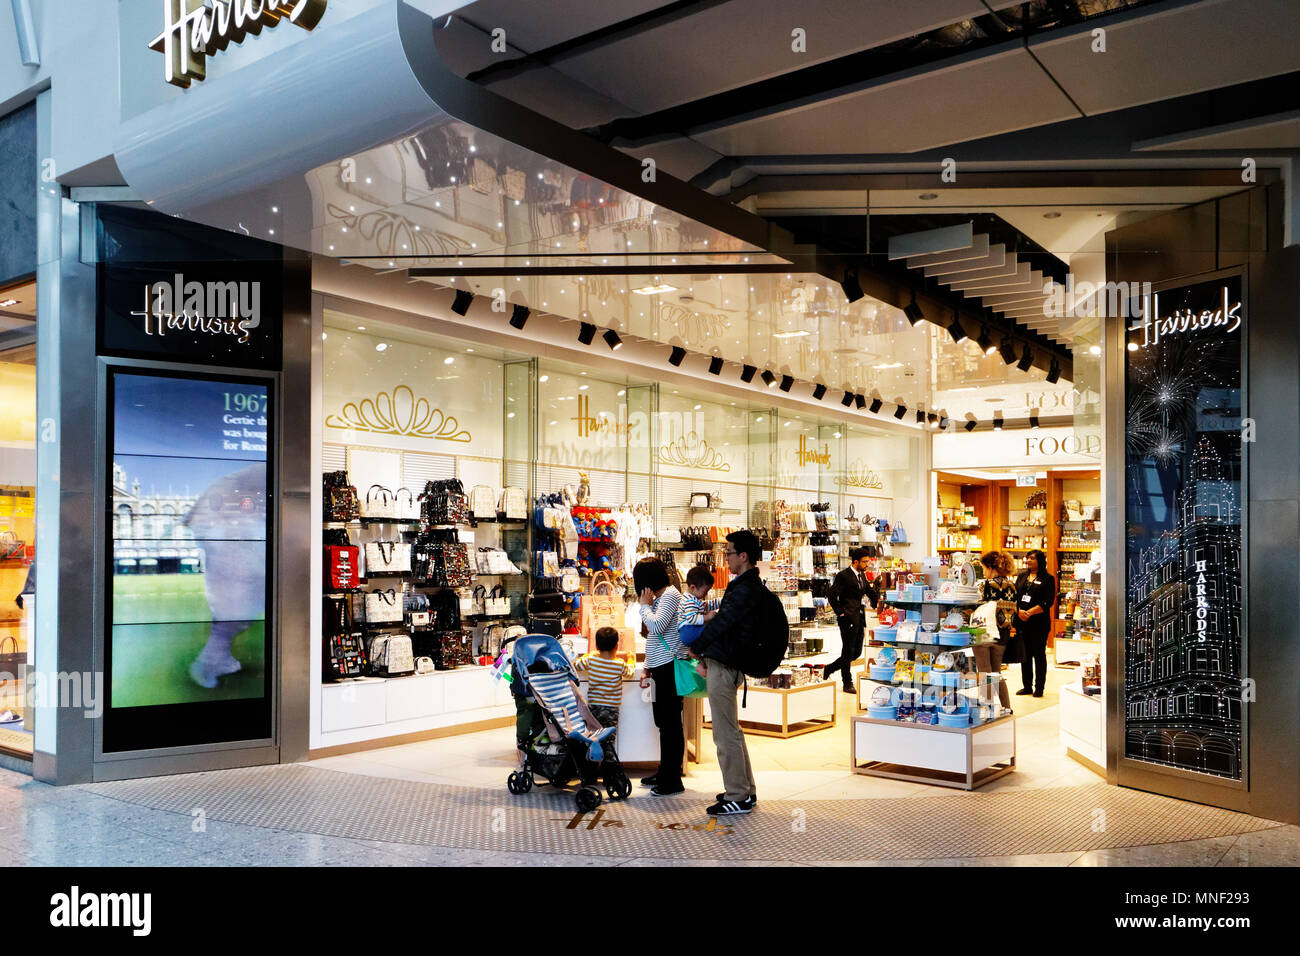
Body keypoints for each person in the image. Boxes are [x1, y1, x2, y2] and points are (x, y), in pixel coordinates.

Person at [689, 529, 764, 816]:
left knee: (724, 733)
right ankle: (745, 790)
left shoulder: (743, 588)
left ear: (743, 556)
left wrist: (697, 647)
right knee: (732, 730)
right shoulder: (747, 585)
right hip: (730, 662)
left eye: (729, 552)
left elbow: (723, 624)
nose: (726, 558)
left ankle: (738, 795)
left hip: (725, 664)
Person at [633, 556, 685, 796]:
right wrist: (647, 665)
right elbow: (654, 639)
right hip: (659, 667)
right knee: (664, 722)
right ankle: (665, 771)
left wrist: (644, 605)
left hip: (669, 668)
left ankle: (673, 779)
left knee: (671, 724)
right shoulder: (661, 598)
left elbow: (656, 627)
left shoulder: (671, 596)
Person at [823, 547, 879, 692]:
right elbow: (831, 595)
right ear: (855, 562)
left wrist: (878, 602)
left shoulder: (862, 575)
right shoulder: (843, 576)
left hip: (859, 617)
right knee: (848, 651)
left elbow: (868, 591)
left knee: (857, 653)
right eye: (865, 562)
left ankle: (829, 668)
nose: (867, 564)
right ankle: (847, 683)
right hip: (847, 618)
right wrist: (840, 613)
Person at [572, 626, 635, 748]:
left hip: (594, 708)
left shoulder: (591, 660)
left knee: (594, 737)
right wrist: (631, 659)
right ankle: (609, 764)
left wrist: (590, 654)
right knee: (609, 741)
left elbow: (576, 664)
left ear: (596, 646)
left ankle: (594, 762)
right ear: (617, 646)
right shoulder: (619, 664)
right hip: (612, 709)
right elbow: (630, 673)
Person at [973, 551, 1014, 711]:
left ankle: (987, 709)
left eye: (984, 568)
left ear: (991, 567)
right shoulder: (1011, 585)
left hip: (984, 632)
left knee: (984, 673)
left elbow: (975, 606)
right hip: (1002, 636)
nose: (983, 572)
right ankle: (1007, 708)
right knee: (996, 674)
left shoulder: (986, 585)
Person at [1013, 549, 1055, 698]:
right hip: (1021, 621)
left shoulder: (1048, 579)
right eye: (1027, 558)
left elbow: (1048, 602)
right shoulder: (1022, 577)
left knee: (1039, 655)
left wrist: (1029, 612)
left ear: (1040, 561)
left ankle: (1039, 688)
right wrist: (1019, 612)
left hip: (1039, 623)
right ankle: (1027, 686)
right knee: (1025, 655)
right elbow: (1014, 597)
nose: (1029, 560)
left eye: (1032, 558)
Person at [676, 564, 717, 672]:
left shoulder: (694, 599)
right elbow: (692, 619)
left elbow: (708, 605)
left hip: (689, 632)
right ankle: (699, 659)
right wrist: (707, 617)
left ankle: (700, 659)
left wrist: (722, 601)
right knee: (712, 632)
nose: (705, 595)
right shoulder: (690, 601)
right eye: (705, 592)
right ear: (693, 587)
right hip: (688, 631)